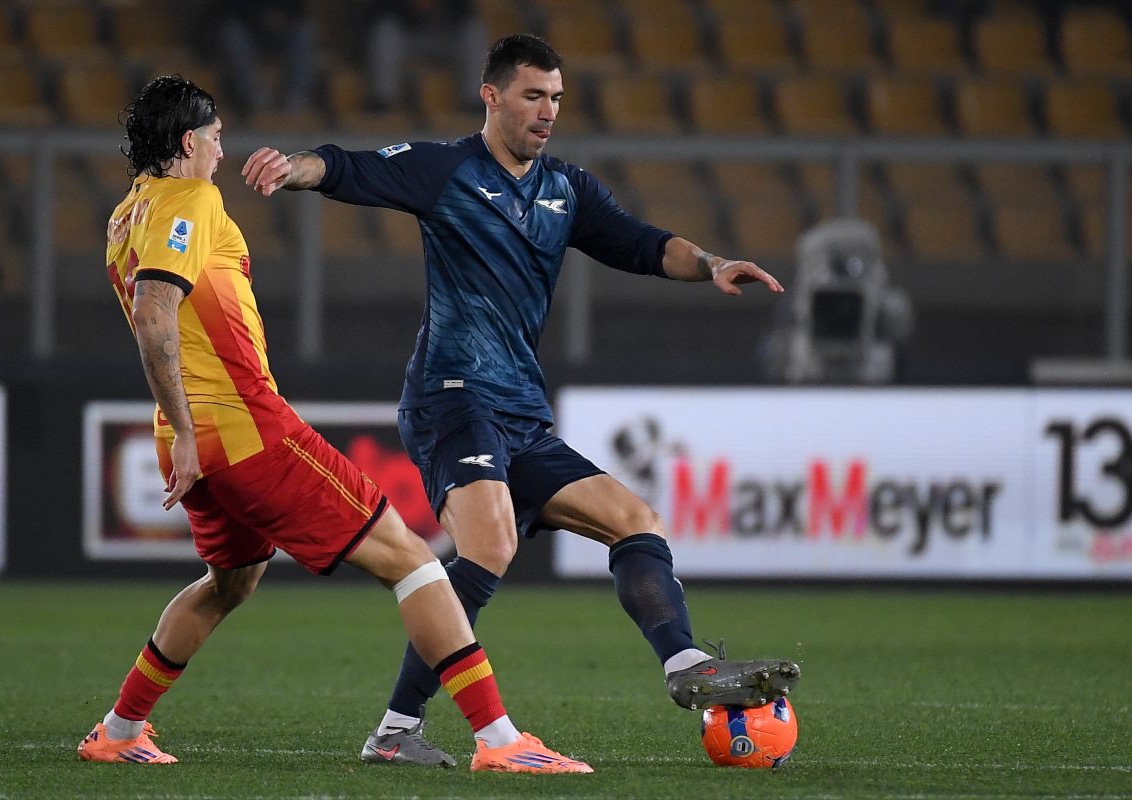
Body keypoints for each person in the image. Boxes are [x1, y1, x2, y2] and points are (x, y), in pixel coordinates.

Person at [242, 34, 801, 767]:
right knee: (491, 545)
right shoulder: (446, 170)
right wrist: (294, 169)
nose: (548, 111)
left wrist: (713, 263)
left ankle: (684, 665)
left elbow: (641, 244)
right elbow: (348, 168)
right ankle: (436, 734)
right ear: (493, 96)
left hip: (519, 412)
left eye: (556, 98)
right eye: (533, 95)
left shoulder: (567, 190)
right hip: (450, 395)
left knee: (635, 521)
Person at [77, 75, 591, 774]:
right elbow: (153, 312)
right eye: (218, 138)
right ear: (190, 141)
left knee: (230, 582)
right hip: (244, 427)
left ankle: (119, 728)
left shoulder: (125, 215)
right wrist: (192, 429)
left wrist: (181, 430)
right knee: (412, 560)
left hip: (191, 434)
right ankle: (500, 742)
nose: (223, 152)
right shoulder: (190, 200)